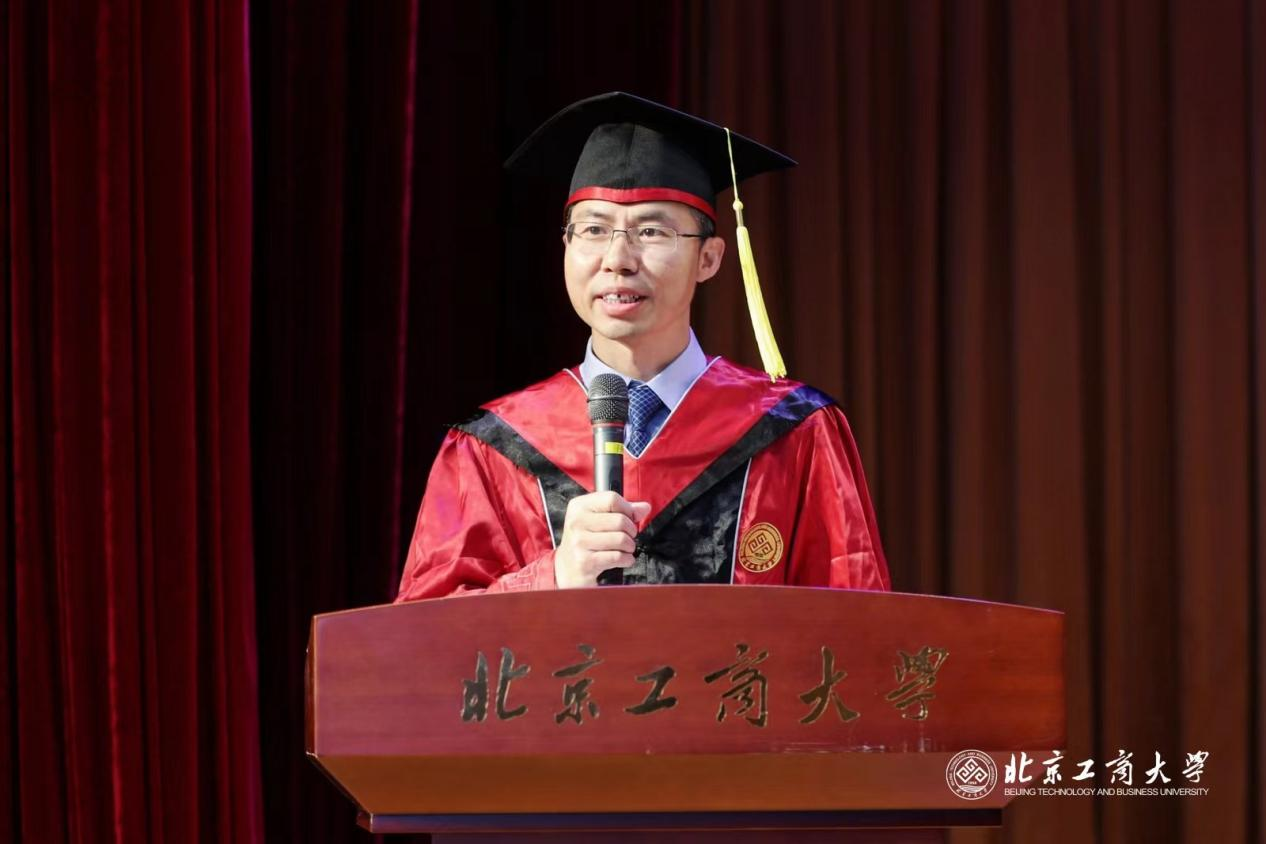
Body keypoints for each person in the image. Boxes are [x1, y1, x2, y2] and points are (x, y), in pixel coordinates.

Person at [395, 92, 890, 600]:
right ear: (566, 247)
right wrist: (554, 576)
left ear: (709, 259)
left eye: (651, 231)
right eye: (593, 229)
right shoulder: (494, 446)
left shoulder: (794, 432)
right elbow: (425, 634)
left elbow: (856, 623)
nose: (618, 259)